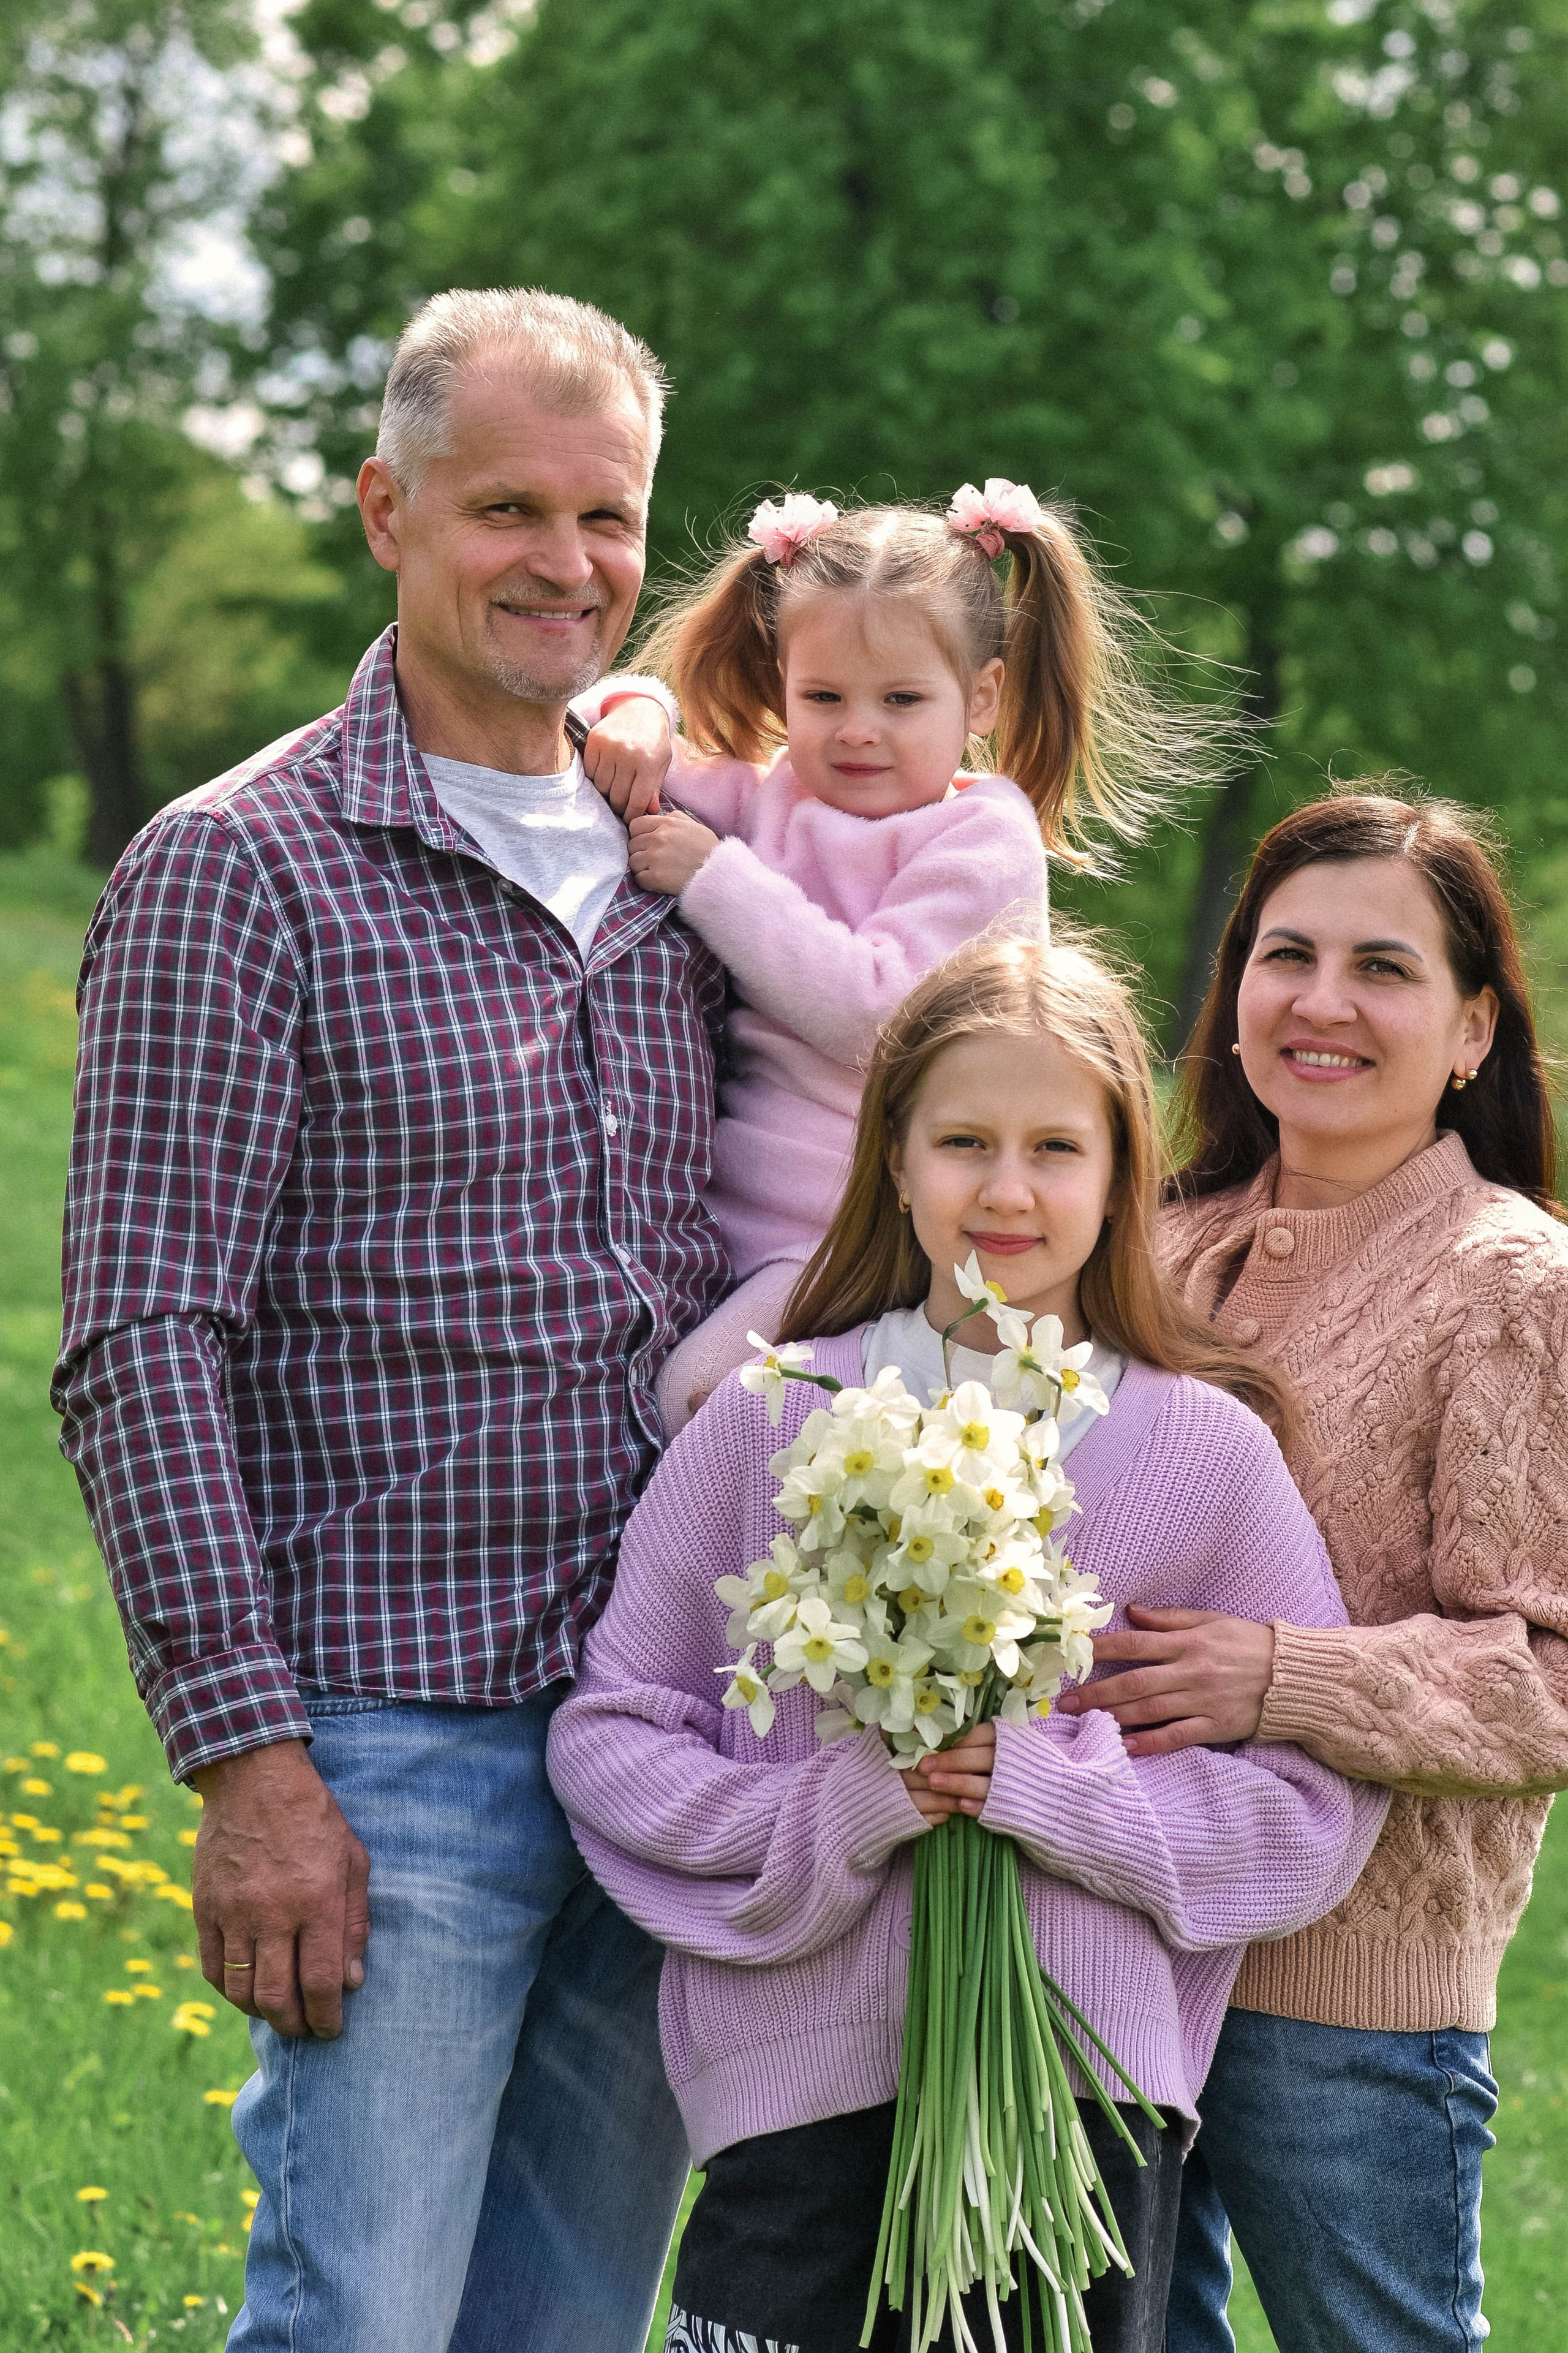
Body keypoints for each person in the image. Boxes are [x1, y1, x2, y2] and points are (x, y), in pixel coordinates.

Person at [52, 288, 728, 2353]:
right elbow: (143, 1337)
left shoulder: (687, 865)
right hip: (393, 1748)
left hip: (666, 1747)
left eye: (608, 516)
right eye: (506, 507)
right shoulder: (240, 867)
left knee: (569, 2326)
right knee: (361, 2321)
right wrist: (251, 1764)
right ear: (387, 510)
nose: (567, 562)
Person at [546, 932, 1389, 2353]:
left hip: (1078, 2107)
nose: (1005, 1189)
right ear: (891, 1158)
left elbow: (1313, 1800)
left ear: (1123, 1172)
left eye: (1055, 1146)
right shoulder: (775, 1419)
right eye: (961, 1142)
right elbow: (613, 1733)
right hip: (794, 2096)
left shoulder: (1202, 1453)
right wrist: (840, 1809)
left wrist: (1061, 1796)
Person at [1055, 788, 1568, 2352]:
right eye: (1284, 955)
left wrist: (1275, 1679)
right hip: (1107, 1948)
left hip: (1344, 1998)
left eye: (1382, 968)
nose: (1320, 1002)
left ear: (1470, 1028)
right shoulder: (1146, 1244)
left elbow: (1543, 1682)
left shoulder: (1511, 1284)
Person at [578, 483, 1239, 1435]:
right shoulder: (778, 792)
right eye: (823, 697)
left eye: (900, 700)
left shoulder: (983, 838)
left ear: (981, 697)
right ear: (781, 682)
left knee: (695, 1399)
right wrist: (639, 707)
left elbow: (880, 1010)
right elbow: (596, 723)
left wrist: (714, 878)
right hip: (731, 1219)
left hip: (870, 1238)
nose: (857, 729)